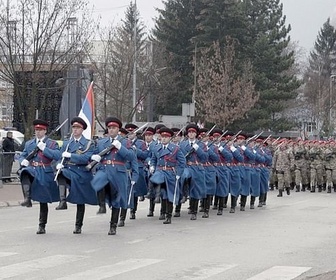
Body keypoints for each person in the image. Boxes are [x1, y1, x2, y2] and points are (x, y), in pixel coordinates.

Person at [90, 117, 136, 235]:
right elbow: (95, 153)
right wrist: (94, 157)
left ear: (118, 129)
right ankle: (102, 205)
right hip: (104, 169)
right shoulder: (101, 142)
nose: (111, 130)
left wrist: (120, 147)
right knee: (98, 182)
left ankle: (113, 225)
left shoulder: (125, 142)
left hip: (118, 172)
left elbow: (131, 157)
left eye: (114, 128)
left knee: (117, 200)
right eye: (109, 128)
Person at [55, 117, 96, 234]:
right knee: (60, 174)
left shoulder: (88, 143)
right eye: (73, 127)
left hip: (81, 173)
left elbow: (86, 158)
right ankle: (62, 201)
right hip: (69, 170)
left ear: (82, 129)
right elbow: (60, 157)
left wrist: (71, 156)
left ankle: (78, 225)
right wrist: (59, 164)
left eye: (78, 127)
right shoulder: (67, 143)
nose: (75, 130)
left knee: (80, 201)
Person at [18, 119, 60, 234]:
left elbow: (57, 155)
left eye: (40, 130)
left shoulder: (51, 143)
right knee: (25, 172)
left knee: (43, 200)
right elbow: (22, 155)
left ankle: (42, 225)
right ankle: (27, 198)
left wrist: (44, 149)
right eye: (36, 130)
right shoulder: (29, 143)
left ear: (45, 131)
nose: (38, 132)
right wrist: (23, 161)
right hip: (33, 169)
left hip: (45, 171)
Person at [149, 127, 186, 224]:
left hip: (170, 173)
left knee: (169, 195)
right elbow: (153, 159)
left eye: (166, 137)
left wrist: (178, 173)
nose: (164, 139)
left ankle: (168, 215)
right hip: (160, 171)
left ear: (170, 138)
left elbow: (182, 162)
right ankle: (154, 194)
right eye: (162, 137)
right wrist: (152, 166)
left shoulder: (175, 149)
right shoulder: (156, 148)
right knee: (157, 183)